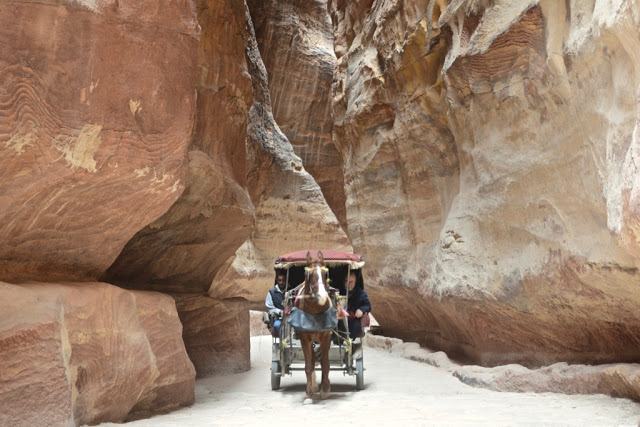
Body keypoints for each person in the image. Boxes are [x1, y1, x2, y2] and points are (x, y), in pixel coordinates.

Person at [344, 270, 371, 340]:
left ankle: (350, 344)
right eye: (346, 281)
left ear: (355, 282)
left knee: (355, 325)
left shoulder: (361, 293)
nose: (348, 284)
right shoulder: (339, 291)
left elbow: (368, 306)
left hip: (353, 319)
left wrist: (361, 310)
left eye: (351, 282)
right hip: (340, 319)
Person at [265, 272, 286, 337]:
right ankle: (282, 341)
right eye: (280, 280)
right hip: (279, 318)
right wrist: (279, 312)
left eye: (283, 280)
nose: (281, 282)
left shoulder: (290, 291)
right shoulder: (272, 292)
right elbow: (269, 307)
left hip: (291, 318)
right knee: (277, 326)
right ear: (277, 280)